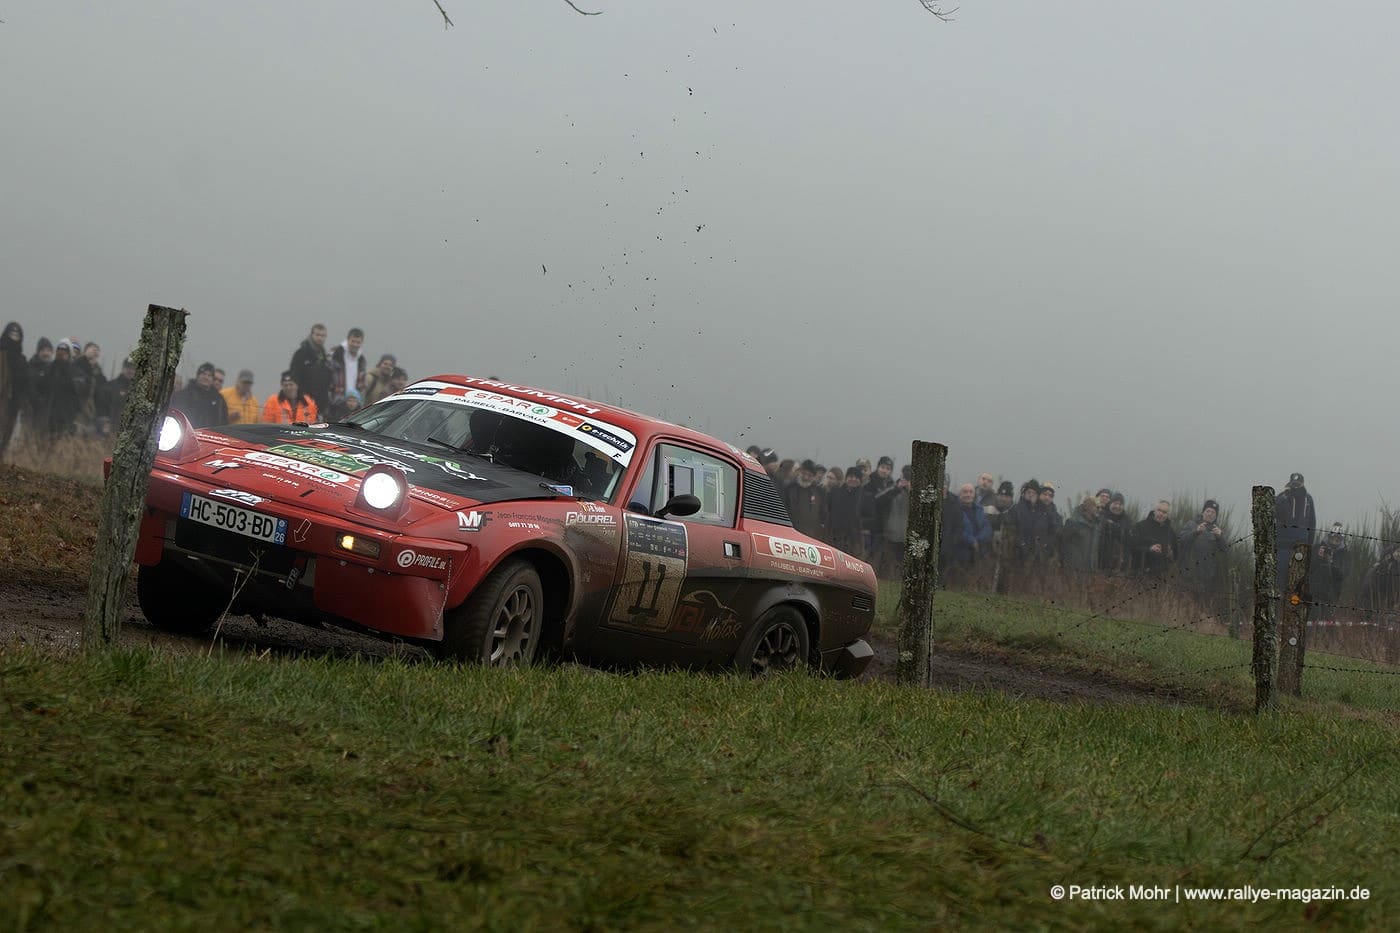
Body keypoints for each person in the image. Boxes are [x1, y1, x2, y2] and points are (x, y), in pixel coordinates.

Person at [1177, 499, 1227, 607]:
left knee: (1202, 609)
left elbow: (1225, 550)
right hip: (1189, 575)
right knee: (1186, 607)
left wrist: (1220, 537)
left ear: (1216, 516)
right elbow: (1181, 541)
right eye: (1208, 511)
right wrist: (1196, 532)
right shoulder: (1191, 524)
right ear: (1203, 512)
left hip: (1207, 579)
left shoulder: (1217, 531)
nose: (1210, 514)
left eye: (1213, 512)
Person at [1275, 472, 1316, 590]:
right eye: (1294, 484)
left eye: (1298, 484)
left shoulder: (1308, 499)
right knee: (1280, 575)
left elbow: (1312, 522)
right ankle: (1278, 598)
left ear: (1302, 484)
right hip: (1283, 544)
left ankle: (1293, 600)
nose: (1296, 486)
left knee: (1297, 578)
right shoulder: (1283, 497)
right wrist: (1284, 497)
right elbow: (1274, 513)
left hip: (1301, 545)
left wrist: (1309, 544)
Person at [289, 323, 334, 416]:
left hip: (321, 403)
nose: (320, 338)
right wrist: (301, 397)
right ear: (311, 335)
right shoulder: (301, 353)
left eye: (322, 336)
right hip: (304, 402)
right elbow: (294, 377)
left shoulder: (324, 356)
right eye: (317, 335)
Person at [1308, 522, 1350, 620]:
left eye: (1338, 538)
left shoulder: (1345, 554)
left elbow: (1344, 573)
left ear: (1341, 539)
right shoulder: (1318, 548)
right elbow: (1310, 566)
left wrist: (1331, 564)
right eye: (1333, 537)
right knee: (1313, 617)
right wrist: (1320, 558)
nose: (1335, 540)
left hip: (1333, 593)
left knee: (1327, 620)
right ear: (1329, 536)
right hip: (1314, 591)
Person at [171, 362, 228, 429]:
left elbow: (223, 421)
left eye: (209, 375)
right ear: (197, 376)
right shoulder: (185, 394)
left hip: (209, 433)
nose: (206, 377)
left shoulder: (218, 399)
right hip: (187, 430)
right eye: (203, 374)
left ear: (212, 379)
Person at [0, 322, 28, 459]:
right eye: (12, 333)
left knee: (8, 432)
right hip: (3, 397)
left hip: (15, 400)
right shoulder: (2, 353)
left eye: (17, 334)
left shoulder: (21, 358)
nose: (14, 336)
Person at [951, 482, 993, 568]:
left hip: (980, 554)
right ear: (960, 494)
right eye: (965, 492)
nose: (968, 495)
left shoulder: (979, 509)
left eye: (971, 492)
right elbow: (955, 529)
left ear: (974, 495)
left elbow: (987, 528)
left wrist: (978, 540)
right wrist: (971, 541)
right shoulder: (954, 510)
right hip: (962, 555)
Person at [783, 459, 826, 540]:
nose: (806, 477)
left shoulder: (819, 492)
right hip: (791, 532)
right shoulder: (789, 488)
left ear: (813, 477)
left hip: (811, 536)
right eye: (804, 473)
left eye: (809, 475)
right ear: (800, 472)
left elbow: (822, 514)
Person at [1131, 499, 1176, 578]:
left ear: (1168, 514)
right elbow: (1132, 548)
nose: (1161, 514)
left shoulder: (1170, 531)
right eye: (1159, 510)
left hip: (1162, 577)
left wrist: (1171, 555)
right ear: (1154, 510)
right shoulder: (1140, 526)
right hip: (1140, 575)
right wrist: (1149, 549)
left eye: (1164, 512)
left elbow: (1176, 553)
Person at [827, 467, 866, 557]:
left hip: (854, 539)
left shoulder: (865, 496)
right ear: (846, 478)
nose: (853, 479)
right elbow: (828, 510)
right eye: (851, 476)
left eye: (856, 478)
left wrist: (858, 523)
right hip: (835, 536)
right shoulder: (836, 492)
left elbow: (870, 516)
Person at [1058, 496, 1100, 574]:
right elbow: (1062, 543)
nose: (1098, 509)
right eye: (1096, 506)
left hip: (1090, 571)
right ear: (1088, 507)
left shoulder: (1096, 526)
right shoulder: (1073, 522)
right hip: (1073, 570)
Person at [330, 327, 368, 407]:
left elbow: (362, 385)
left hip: (354, 404)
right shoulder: (336, 356)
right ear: (347, 340)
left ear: (362, 343)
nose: (355, 345)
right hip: (337, 401)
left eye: (358, 342)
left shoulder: (362, 360)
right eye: (353, 341)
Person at [1096, 491, 1131, 575]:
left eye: (1120, 504)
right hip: (1100, 564)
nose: (1117, 506)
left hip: (1119, 567)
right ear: (1110, 504)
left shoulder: (1127, 520)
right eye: (1115, 503)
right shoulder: (1101, 517)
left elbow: (1129, 539)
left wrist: (1114, 527)